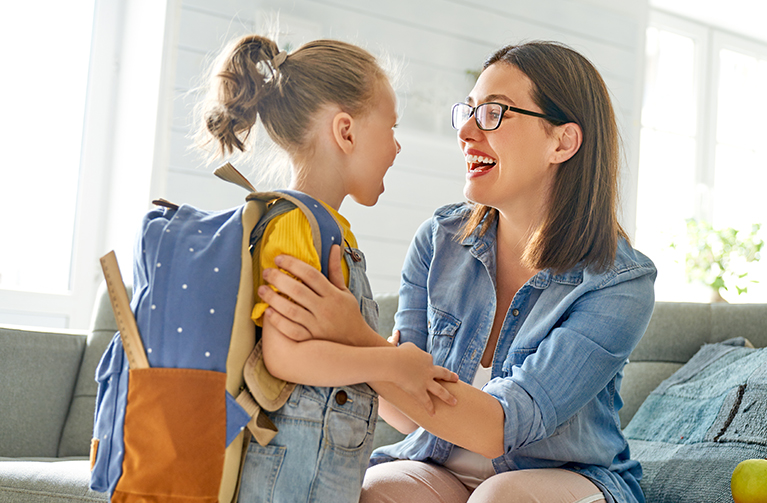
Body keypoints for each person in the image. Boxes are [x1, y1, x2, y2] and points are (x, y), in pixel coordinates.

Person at [257, 41, 657, 503]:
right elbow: (405, 413)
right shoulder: (438, 239)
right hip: (437, 462)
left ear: (562, 141)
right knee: (374, 492)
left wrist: (353, 333)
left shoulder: (619, 282)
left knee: (497, 499)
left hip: (565, 477)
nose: (466, 130)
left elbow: (499, 429)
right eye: (468, 111)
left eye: (493, 113)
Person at [198, 34, 459, 503]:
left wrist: (389, 364)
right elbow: (284, 357)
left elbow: (336, 360)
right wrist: (390, 361)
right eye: (392, 128)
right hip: (286, 481)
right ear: (346, 131)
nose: (397, 147)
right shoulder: (297, 224)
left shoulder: (332, 232)